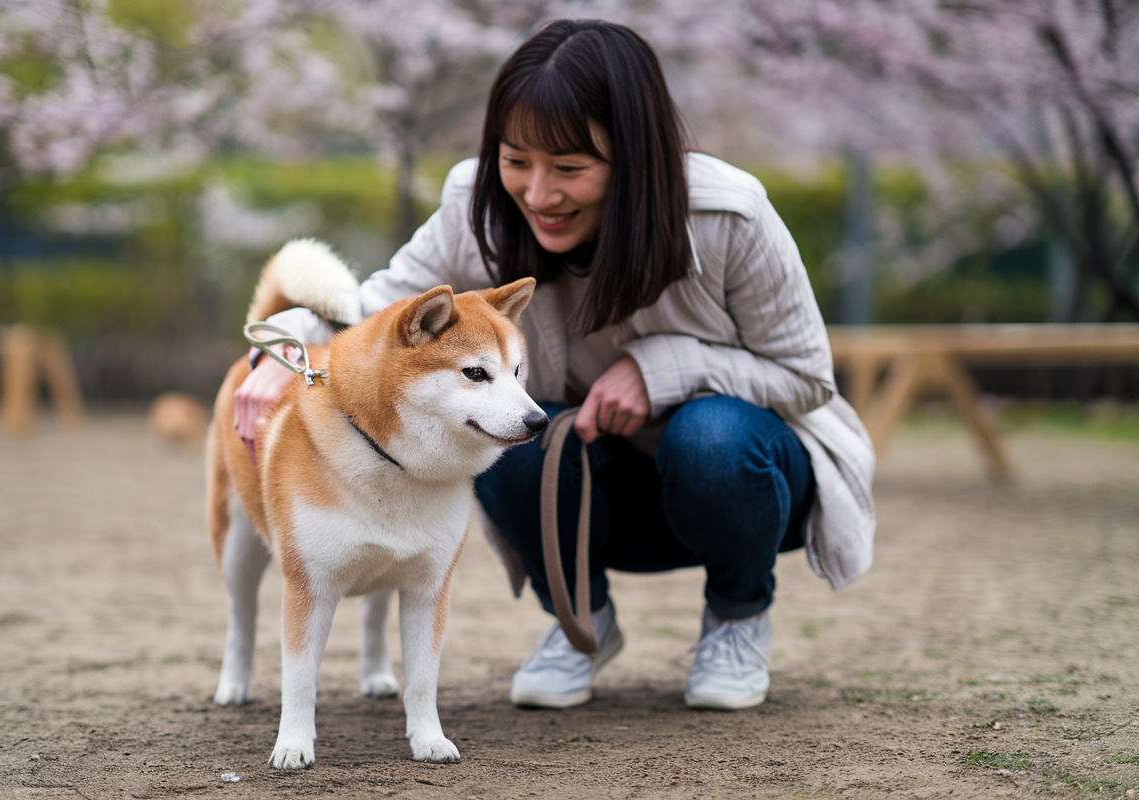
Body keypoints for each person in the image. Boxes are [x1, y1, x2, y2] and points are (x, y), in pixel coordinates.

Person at [234, 19, 875, 711]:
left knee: (711, 435)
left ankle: (737, 615)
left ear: (635, 158)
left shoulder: (729, 215)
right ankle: (582, 622)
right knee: (493, 427)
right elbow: (375, 312)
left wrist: (663, 368)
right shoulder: (475, 203)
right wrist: (283, 354)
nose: (538, 194)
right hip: (586, 486)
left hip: (743, 485)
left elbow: (808, 377)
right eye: (517, 160)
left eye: (570, 168)